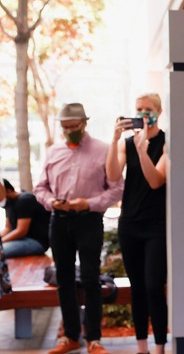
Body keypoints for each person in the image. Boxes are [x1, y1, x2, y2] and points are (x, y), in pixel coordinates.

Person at [35, 102, 123, 354]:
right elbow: (40, 187)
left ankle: (94, 339)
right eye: (65, 127)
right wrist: (51, 201)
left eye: (74, 126)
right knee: (64, 280)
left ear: (85, 123)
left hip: (88, 220)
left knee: (90, 279)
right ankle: (71, 336)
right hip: (59, 221)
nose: (69, 130)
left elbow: (117, 188)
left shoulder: (103, 150)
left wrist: (89, 203)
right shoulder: (53, 152)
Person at [105, 92, 169, 354]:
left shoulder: (167, 143)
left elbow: (156, 181)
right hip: (130, 223)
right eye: (139, 109)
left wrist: (143, 150)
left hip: (156, 225)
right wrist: (114, 140)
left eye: (148, 109)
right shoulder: (126, 143)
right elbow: (111, 175)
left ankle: (160, 347)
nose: (143, 113)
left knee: (155, 286)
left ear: (159, 112)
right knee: (138, 288)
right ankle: (142, 346)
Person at [1, 178, 50, 257]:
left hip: (36, 241)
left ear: (8, 191)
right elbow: (8, 228)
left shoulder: (25, 200)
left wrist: (2, 241)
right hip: (19, 240)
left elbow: (21, 231)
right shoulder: (9, 203)